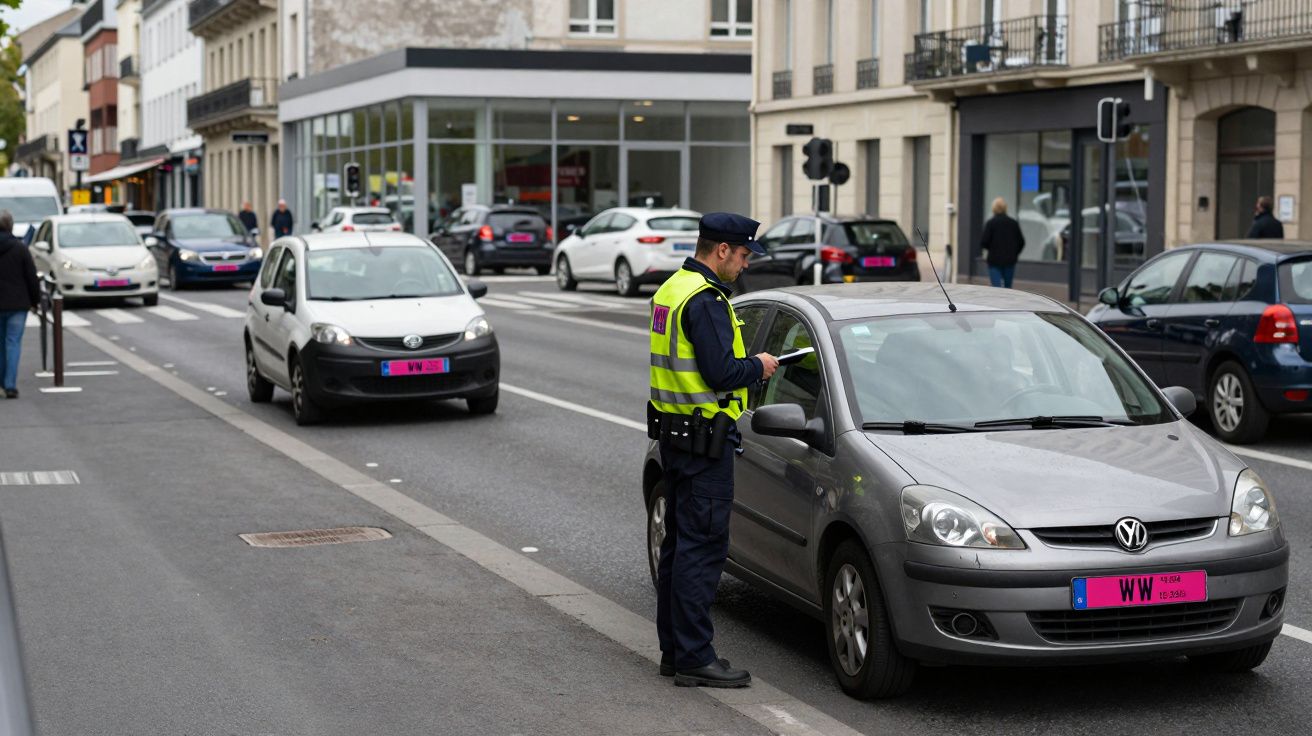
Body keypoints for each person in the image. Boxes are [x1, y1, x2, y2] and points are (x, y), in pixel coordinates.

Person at [649, 212, 780, 689]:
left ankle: (674, 652)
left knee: (679, 548)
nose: (744, 265)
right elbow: (722, 373)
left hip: (676, 436)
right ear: (721, 250)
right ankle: (695, 658)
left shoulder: (672, 289)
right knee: (701, 552)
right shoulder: (705, 301)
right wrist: (759, 365)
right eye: (743, 255)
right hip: (704, 442)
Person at [0, 211, 40, 399]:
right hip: (17, 303)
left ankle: (1, 382)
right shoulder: (20, 248)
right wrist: (35, 301)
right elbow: (31, 278)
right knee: (13, 342)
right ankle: (10, 385)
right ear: (10, 226)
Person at [980, 197, 1025, 288]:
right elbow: (1021, 242)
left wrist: (992, 248)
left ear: (994, 209)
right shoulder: (1013, 223)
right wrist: (1014, 253)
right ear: (1005, 208)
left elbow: (984, 242)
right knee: (1008, 289)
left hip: (994, 261)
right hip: (1009, 260)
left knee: (997, 289)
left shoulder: (991, 223)